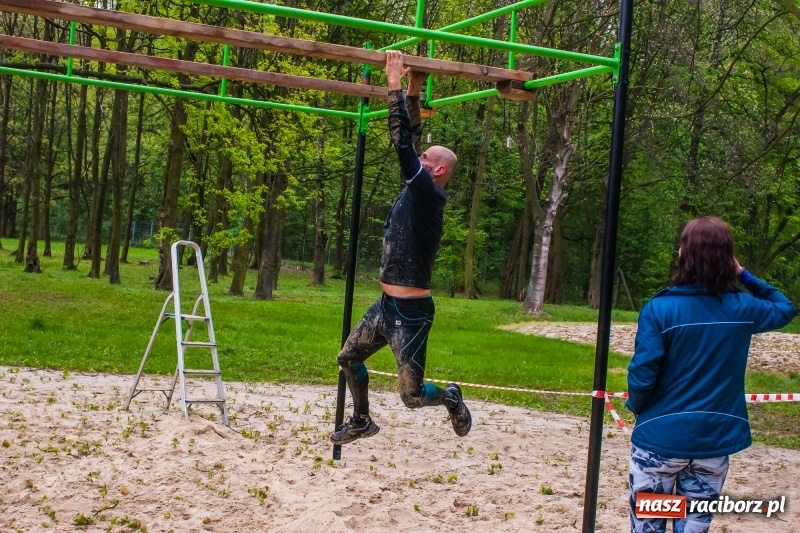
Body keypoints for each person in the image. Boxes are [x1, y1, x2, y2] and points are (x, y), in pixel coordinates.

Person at [329, 50, 471, 445]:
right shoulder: (419, 186)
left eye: (426, 157)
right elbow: (413, 139)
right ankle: (362, 421)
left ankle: (450, 397)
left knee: (411, 396)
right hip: (386, 305)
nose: (419, 156)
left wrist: (392, 83)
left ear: (437, 170)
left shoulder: (429, 194)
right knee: (348, 358)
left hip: (411, 313)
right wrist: (413, 88)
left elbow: (404, 145)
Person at [626, 216, 796, 533]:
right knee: (694, 523)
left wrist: (638, 407)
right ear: (728, 258)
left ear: (684, 254)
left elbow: (643, 373)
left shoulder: (659, 309)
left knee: (649, 524)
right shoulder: (743, 308)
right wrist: (744, 275)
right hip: (713, 440)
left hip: (660, 438)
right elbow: (784, 307)